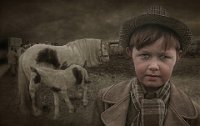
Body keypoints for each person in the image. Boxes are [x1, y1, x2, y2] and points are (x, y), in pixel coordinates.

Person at [92, 6, 200, 126]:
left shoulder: (194, 113)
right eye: (145, 55)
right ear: (130, 53)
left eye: (164, 57)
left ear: (178, 57)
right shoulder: (104, 100)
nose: (154, 66)